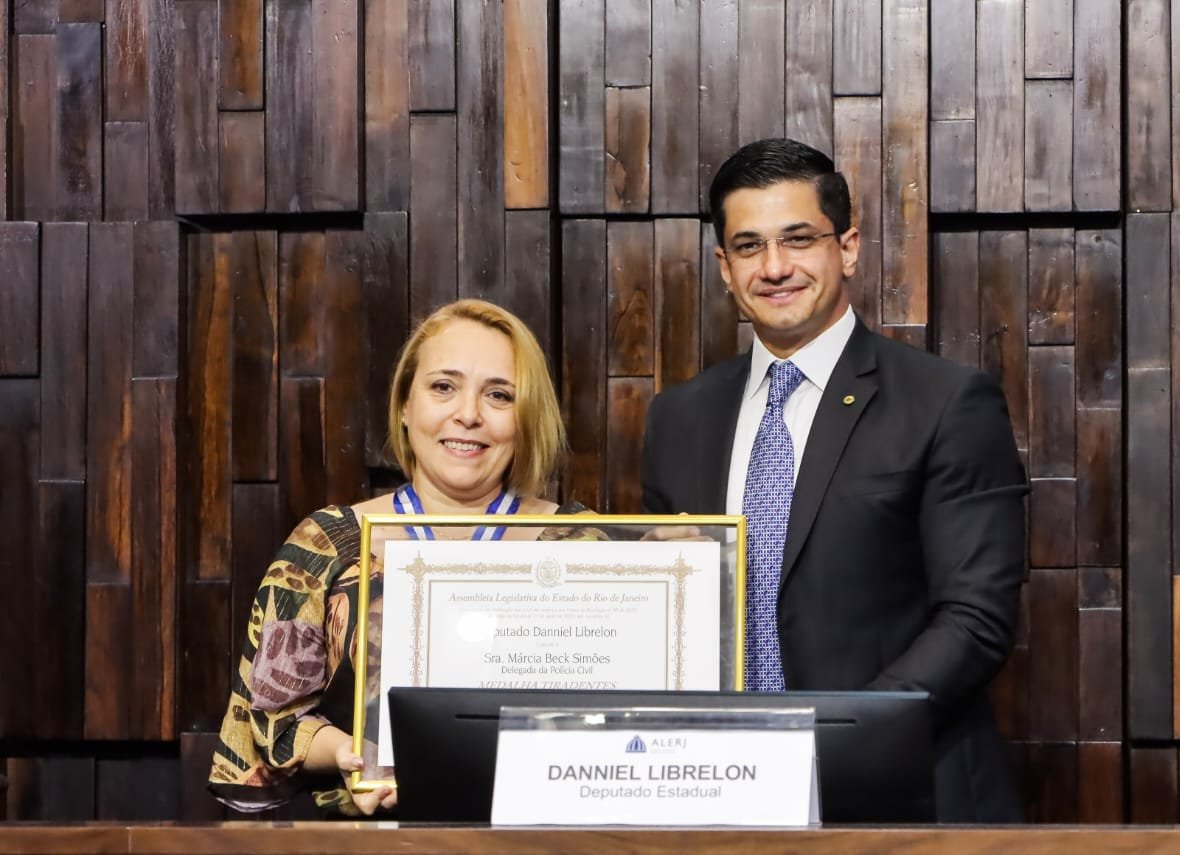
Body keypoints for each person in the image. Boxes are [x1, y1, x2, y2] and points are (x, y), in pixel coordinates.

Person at [641, 138, 1027, 821]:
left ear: (847, 247)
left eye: (798, 239)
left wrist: (832, 743)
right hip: (719, 801)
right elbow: (666, 619)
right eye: (750, 246)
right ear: (724, 269)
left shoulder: (945, 402)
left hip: (904, 798)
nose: (776, 267)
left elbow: (975, 620)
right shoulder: (679, 418)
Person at [209, 299, 600, 816]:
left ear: (526, 418)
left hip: (546, 840)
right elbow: (273, 721)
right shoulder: (326, 545)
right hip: (371, 843)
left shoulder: (584, 547)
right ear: (404, 406)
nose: (468, 414)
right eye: (443, 387)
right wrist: (352, 755)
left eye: (499, 395)